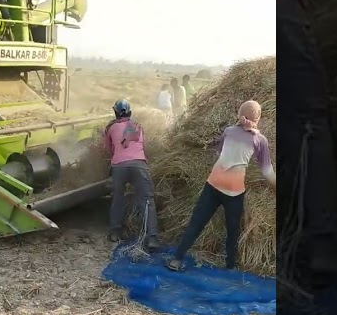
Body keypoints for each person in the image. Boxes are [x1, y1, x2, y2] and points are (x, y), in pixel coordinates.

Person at [278, 0, 337, 280]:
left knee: (283, 124)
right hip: (283, 4)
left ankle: (284, 232)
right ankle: (320, 243)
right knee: (310, 121)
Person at [166, 101, 276, 272]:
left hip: (213, 184)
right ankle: (230, 266)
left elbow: (219, 153)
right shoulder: (259, 140)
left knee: (196, 223)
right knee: (232, 230)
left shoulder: (229, 131)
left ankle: (177, 259)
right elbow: (267, 171)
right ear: (259, 117)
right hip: (234, 191)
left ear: (240, 114)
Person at [103, 99, 162, 248]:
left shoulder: (111, 128)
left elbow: (108, 150)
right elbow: (143, 146)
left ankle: (115, 232)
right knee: (147, 200)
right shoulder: (138, 126)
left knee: (117, 198)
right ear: (130, 112)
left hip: (119, 167)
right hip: (139, 165)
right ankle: (152, 238)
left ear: (115, 112)